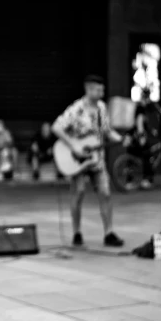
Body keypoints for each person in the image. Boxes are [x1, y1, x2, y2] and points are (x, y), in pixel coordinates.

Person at [52, 75, 125, 248]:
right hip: (78, 161)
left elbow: (107, 132)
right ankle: (77, 232)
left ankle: (109, 233)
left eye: (103, 89)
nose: (102, 92)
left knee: (106, 193)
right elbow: (56, 127)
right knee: (78, 193)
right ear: (89, 89)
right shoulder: (77, 108)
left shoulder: (102, 108)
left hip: (97, 160)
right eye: (99, 89)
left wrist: (120, 138)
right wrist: (74, 146)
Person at [127, 90, 155, 190]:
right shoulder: (141, 109)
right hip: (137, 138)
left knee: (131, 159)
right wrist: (142, 137)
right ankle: (146, 180)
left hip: (130, 137)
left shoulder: (136, 107)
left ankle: (129, 181)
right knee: (147, 155)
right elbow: (139, 124)